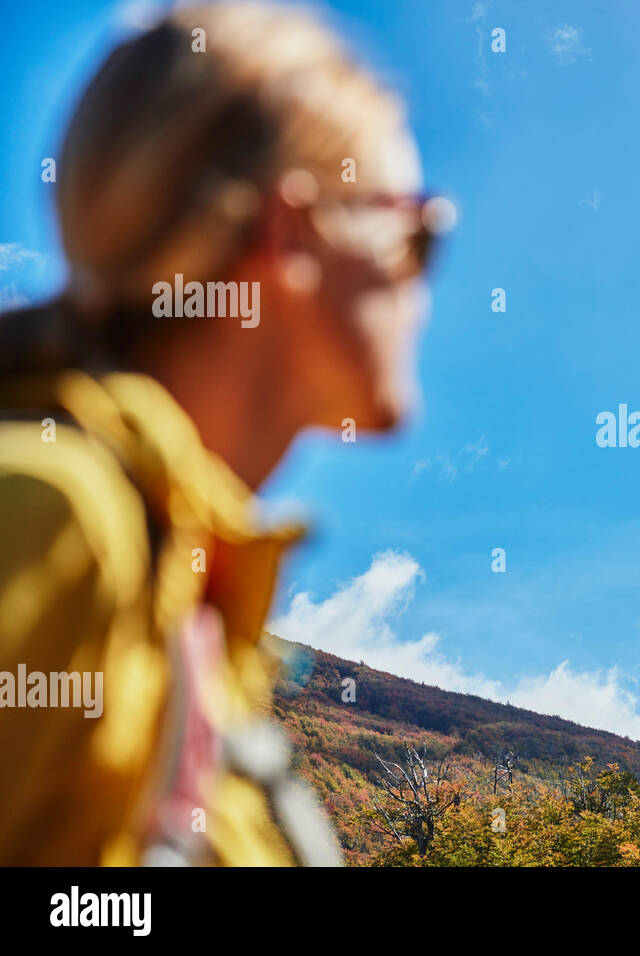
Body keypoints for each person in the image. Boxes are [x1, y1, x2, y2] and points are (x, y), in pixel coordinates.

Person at [0, 1, 448, 865]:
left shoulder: (186, 601)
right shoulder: (59, 514)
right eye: (417, 234)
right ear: (291, 231)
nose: (425, 286)